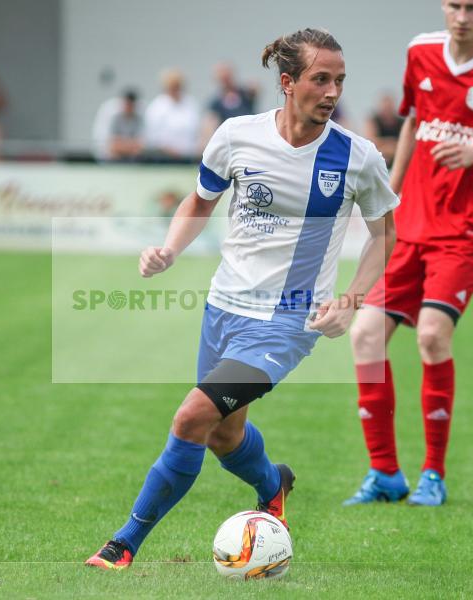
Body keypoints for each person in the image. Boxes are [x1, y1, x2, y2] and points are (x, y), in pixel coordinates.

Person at [85, 27, 399, 570]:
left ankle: (124, 543)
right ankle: (272, 482)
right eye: (320, 79)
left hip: (287, 323)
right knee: (223, 436)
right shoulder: (236, 135)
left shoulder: (357, 156)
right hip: (223, 309)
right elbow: (201, 200)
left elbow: (385, 233)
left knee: (190, 418)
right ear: (286, 82)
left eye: (339, 81)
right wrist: (169, 249)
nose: (332, 92)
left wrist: (350, 300)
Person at [345, 0, 473, 508]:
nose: (462, 15)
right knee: (364, 335)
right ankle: (384, 472)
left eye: (472, 6)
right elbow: (411, 121)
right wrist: (391, 190)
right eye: (454, 4)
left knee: (432, 334)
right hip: (411, 222)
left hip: (465, 230)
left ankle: (433, 473)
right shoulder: (420, 51)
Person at [142, 69, 200, 162]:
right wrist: (170, 150)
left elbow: (196, 130)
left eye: (178, 86)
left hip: (189, 157)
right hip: (164, 159)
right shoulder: (157, 106)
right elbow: (152, 138)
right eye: (173, 87)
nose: (176, 90)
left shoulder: (190, 103)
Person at [364, 92, 403, 167]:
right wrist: (392, 144)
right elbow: (370, 141)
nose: (387, 110)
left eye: (389, 107)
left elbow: (408, 144)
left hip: (397, 157)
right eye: (385, 108)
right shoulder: (372, 121)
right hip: (380, 155)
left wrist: (383, 144)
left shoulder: (402, 122)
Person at [107, 88, 144, 161]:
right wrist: (130, 145)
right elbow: (112, 145)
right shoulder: (115, 119)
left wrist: (122, 144)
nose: (128, 107)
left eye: (131, 104)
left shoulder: (139, 120)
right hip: (116, 159)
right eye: (127, 104)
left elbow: (140, 146)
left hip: (133, 159)